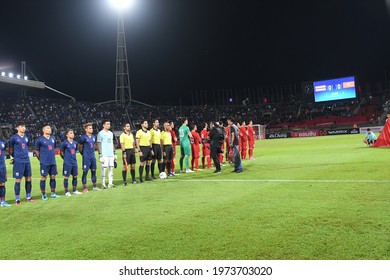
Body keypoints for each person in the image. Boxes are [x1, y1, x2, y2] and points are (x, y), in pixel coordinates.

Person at [9, 121, 36, 205]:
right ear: (17, 128)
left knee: (28, 178)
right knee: (18, 179)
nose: (23, 128)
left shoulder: (26, 137)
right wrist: (15, 157)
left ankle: (28, 197)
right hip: (19, 161)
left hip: (27, 160)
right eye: (21, 126)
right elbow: (10, 150)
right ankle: (17, 199)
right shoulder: (13, 138)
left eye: (24, 126)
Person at [34, 124, 61, 200]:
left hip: (52, 161)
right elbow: (36, 151)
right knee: (43, 177)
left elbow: (53, 148)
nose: (50, 129)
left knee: (53, 176)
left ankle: (53, 193)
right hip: (44, 162)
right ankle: (43, 194)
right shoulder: (40, 140)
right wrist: (41, 159)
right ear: (43, 130)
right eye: (48, 128)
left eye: (50, 128)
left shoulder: (53, 138)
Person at [60, 129, 82, 196]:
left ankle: (74, 190)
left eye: (73, 133)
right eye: (70, 133)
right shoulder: (64, 143)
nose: (72, 134)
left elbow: (75, 150)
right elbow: (61, 152)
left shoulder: (75, 143)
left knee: (75, 176)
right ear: (67, 135)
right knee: (66, 177)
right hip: (67, 163)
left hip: (74, 162)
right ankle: (66, 192)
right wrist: (66, 159)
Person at [79, 123, 99, 191]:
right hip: (86, 157)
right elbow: (80, 147)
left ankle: (94, 186)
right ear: (86, 129)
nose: (91, 129)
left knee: (94, 171)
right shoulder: (83, 137)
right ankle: (84, 188)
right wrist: (84, 154)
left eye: (92, 128)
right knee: (85, 172)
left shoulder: (93, 137)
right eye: (90, 128)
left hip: (92, 157)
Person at [97, 120, 117, 188]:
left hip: (111, 154)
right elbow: (98, 144)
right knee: (104, 169)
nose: (109, 125)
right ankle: (103, 184)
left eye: (109, 124)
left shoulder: (111, 133)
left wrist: (114, 152)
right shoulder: (100, 133)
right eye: (107, 124)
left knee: (111, 169)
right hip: (104, 154)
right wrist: (100, 154)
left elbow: (112, 143)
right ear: (103, 125)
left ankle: (110, 183)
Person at [0, 139, 10, 207]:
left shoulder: (2, 142)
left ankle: (3, 201)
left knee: (2, 183)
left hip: (2, 166)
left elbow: (7, 149)